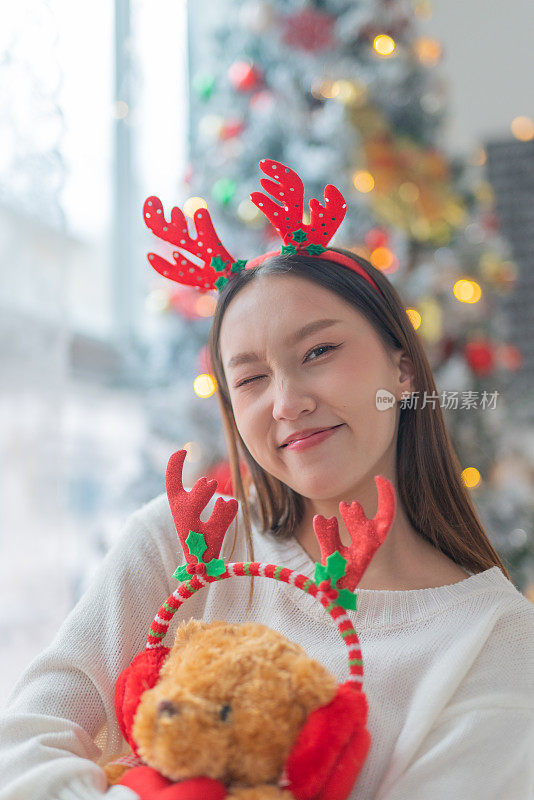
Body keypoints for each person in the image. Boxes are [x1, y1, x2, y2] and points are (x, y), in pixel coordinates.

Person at [1, 160, 533, 800]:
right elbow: (27, 738)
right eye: (250, 379)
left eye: (318, 352)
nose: (286, 403)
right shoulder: (186, 544)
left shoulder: (491, 642)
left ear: (404, 372)